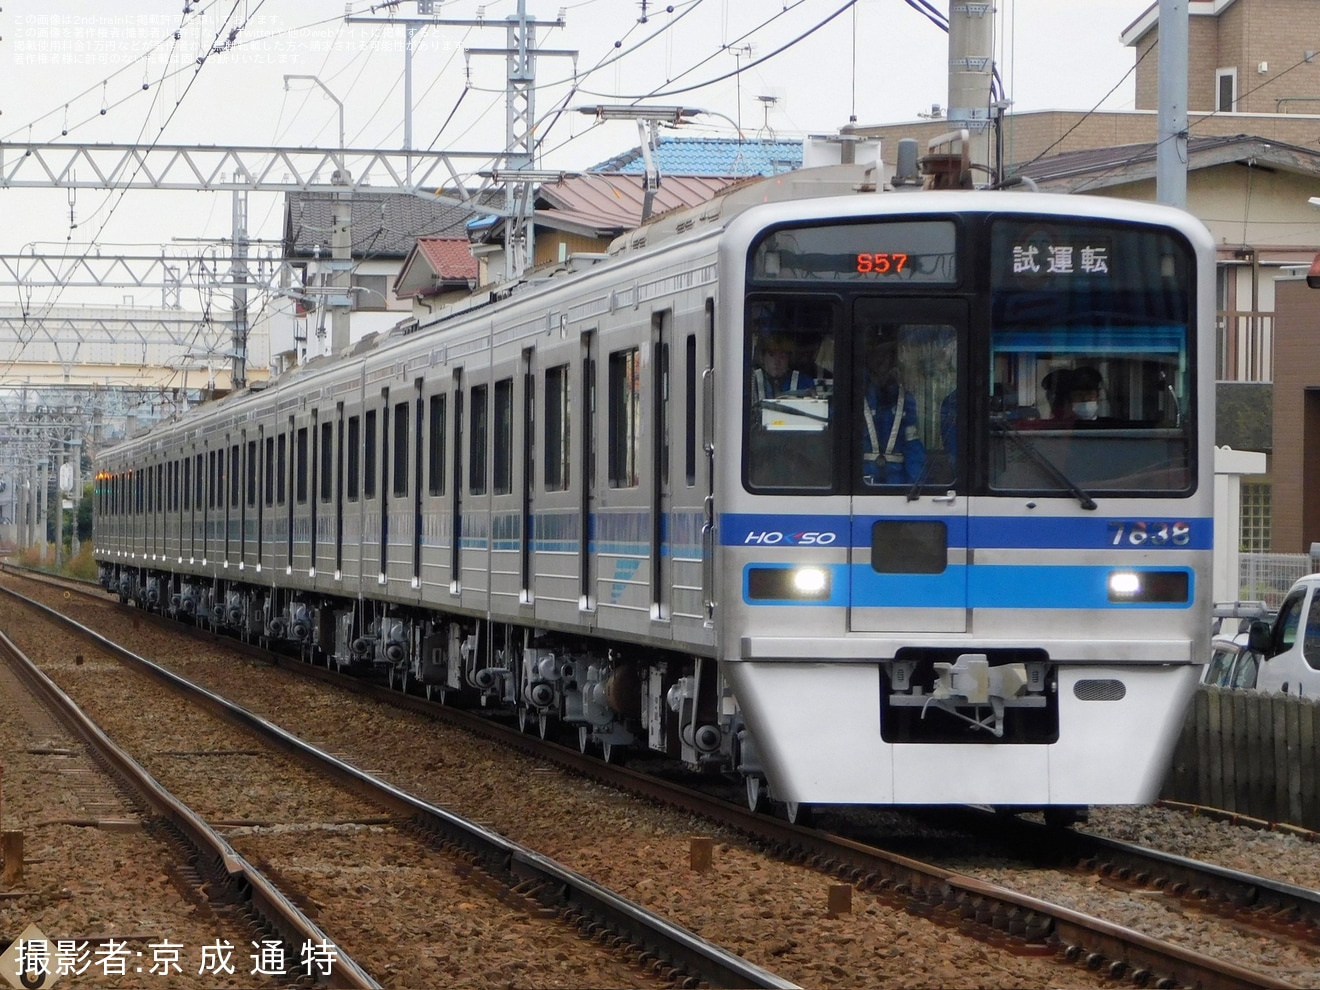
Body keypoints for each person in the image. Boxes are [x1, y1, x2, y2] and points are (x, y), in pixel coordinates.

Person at [861, 339, 926, 485]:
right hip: (860, 484)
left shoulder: (905, 400)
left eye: (886, 363)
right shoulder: (854, 398)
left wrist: (916, 486)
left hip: (896, 484)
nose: (883, 369)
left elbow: (912, 447)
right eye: (878, 363)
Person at [752, 332, 813, 402]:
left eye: (782, 356)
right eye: (771, 355)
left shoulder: (803, 382)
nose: (776, 361)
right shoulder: (752, 380)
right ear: (762, 357)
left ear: (789, 359)